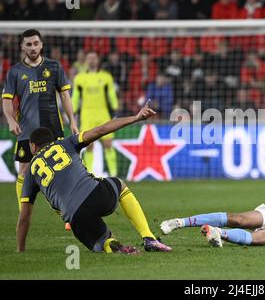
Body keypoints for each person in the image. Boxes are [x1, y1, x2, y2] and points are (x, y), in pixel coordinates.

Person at [16, 103, 172, 253]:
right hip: (96, 196)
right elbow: (102, 130)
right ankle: (148, 237)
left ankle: (110, 244)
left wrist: (20, 250)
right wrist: (136, 118)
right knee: (120, 185)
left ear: (33, 146)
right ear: (52, 140)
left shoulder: (30, 172)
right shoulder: (66, 143)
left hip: (75, 216)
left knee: (104, 241)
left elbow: (24, 217)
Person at [2, 29, 78, 216]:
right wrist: (10, 120)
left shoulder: (54, 67)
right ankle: (24, 212)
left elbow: (65, 96)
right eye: (28, 44)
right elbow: (6, 101)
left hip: (53, 129)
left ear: (42, 45)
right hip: (27, 130)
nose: (33, 47)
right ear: (22, 47)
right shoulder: (15, 72)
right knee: (24, 169)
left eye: (36, 43)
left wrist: (73, 122)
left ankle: (65, 210)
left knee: (61, 169)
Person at [72, 50, 119, 177]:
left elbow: (111, 95)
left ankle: (114, 174)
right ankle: (89, 174)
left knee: (108, 144)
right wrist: (73, 112)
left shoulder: (106, 77)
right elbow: (76, 97)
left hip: (103, 114)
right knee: (89, 145)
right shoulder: (79, 78)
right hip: (86, 116)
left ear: (98, 60)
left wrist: (115, 108)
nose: (92, 60)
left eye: (94, 58)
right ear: (86, 61)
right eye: (89, 58)